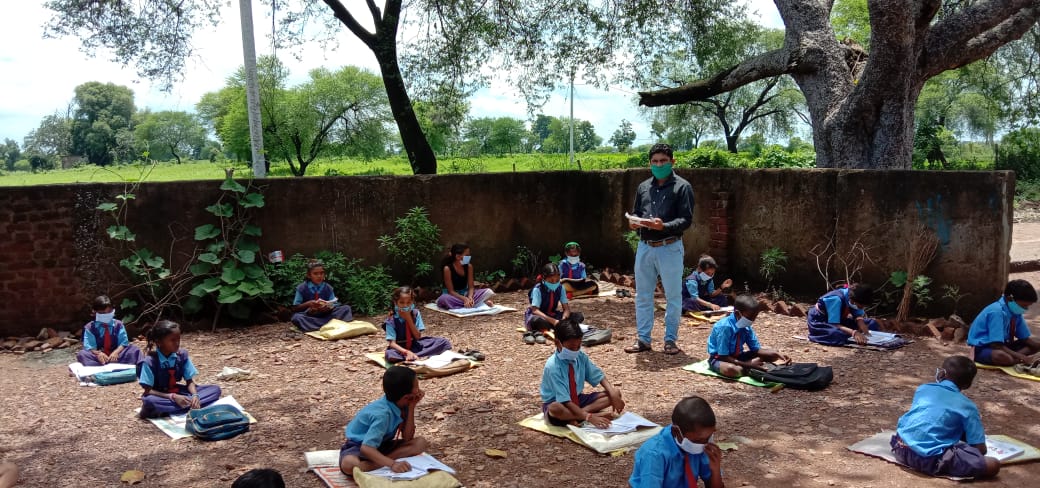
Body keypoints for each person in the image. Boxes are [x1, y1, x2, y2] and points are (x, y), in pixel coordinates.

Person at [625, 143, 694, 355]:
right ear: (650, 163)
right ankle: (643, 340)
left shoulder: (682, 187)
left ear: (673, 162)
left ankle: (670, 340)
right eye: (655, 161)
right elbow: (637, 212)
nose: (659, 164)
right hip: (645, 247)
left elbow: (686, 220)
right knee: (643, 296)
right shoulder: (643, 187)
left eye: (663, 161)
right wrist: (634, 223)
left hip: (669, 247)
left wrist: (663, 226)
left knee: (672, 296)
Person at [890, 355, 1000, 479]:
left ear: (941, 373)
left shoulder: (923, 389)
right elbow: (980, 449)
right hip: (929, 459)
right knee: (993, 464)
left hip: (900, 447)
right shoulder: (968, 406)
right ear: (967, 385)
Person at [339, 366, 429, 476]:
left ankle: (374, 464)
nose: (419, 390)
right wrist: (392, 464)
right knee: (348, 464)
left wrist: (411, 407)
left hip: (382, 445)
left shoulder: (403, 404)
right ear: (406, 396)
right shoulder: (383, 415)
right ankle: (378, 464)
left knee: (420, 442)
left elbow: (407, 437)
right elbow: (366, 448)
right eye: (417, 387)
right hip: (359, 447)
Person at [540, 318, 624, 428]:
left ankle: (576, 416)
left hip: (578, 399)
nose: (575, 350)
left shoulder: (580, 356)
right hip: (560, 403)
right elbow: (565, 401)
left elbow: (598, 375)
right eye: (571, 347)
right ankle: (584, 415)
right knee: (555, 408)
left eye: (578, 346)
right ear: (557, 343)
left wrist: (612, 393)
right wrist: (589, 417)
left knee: (615, 393)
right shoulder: (553, 366)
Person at [629, 395, 724, 488]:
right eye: (698, 440)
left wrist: (715, 470)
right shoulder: (654, 454)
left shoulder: (701, 445)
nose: (705, 444)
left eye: (708, 437)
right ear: (676, 432)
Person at [136, 320, 222, 418]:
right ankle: (185, 406)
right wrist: (172, 397)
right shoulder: (150, 361)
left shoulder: (182, 355)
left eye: (178, 339)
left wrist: (195, 396)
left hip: (178, 391)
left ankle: (181, 406)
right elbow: (148, 391)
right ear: (159, 342)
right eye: (172, 340)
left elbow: (189, 381)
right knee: (150, 401)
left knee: (215, 390)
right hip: (161, 395)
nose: (177, 343)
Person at [707, 294, 791, 378]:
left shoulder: (746, 326)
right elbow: (723, 356)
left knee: (772, 354)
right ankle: (749, 367)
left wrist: (777, 353)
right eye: (750, 317)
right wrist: (748, 364)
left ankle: (749, 366)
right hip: (720, 358)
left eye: (754, 317)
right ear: (737, 313)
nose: (752, 320)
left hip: (739, 357)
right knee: (732, 370)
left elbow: (756, 349)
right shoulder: (725, 327)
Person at [967, 279, 1040, 366]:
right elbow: (996, 345)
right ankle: (1016, 361)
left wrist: (1037, 346)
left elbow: (1025, 338)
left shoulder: (1015, 312)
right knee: (1001, 356)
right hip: (984, 348)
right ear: (1010, 298)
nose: (1026, 309)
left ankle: (1014, 360)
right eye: (1024, 306)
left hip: (1004, 345)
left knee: (1035, 343)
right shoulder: (996, 312)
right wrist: (1021, 357)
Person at [384, 286, 452, 363]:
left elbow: (417, 336)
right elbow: (392, 344)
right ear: (396, 303)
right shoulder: (391, 320)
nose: (405, 306)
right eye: (402, 303)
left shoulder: (415, 314)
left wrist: (409, 319)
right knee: (390, 354)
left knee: (444, 342)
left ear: (412, 302)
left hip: (415, 345)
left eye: (408, 302)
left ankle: (413, 356)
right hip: (400, 348)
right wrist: (406, 352)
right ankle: (411, 355)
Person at [524, 263, 585, 345]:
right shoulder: (537, 289)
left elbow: (566, 308)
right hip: (540, 316)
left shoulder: (560, 288)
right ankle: (540, 330)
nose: (554, 283)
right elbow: (535, 310)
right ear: (543, 278)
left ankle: (550, 328)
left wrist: (564, 319)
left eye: (557, 280)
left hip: (553, 315)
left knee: (578, 316)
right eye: (551, 280)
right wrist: (554, 322)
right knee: (538, 321)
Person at [75, 295, 143, 367]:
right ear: (95, 312)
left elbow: (123, 343)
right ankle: (102, 368)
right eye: (102, 313)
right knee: (82, 354)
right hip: (99, 358)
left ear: (113, 311)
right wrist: (99, 354)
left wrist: (115, 352)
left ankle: (139, 369)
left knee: (134, 350)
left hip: (117, 356)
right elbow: (90, 347)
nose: (106, 315)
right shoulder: (90, 327)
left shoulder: (118, 325)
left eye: (108, 312)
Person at [805, 283, 879, 346]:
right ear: (852, 301)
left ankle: (853, 336)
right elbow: (835, 324)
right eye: (860, 306)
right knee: (836, 335)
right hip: (822, 320)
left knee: (872, 324)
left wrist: (863, 326)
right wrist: (854, 332)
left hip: (840, 319)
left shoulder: (854, 298)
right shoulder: (835, 299)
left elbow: (858, 315)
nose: (861, 308)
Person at [290, 261, 353, 332]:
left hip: (326, 314)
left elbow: (334, 303)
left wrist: (328, 307)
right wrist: (308, 304)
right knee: (296, 317)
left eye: (321, 273)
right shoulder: (301, 288)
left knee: (346, 308)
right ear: (309, 275)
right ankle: (330, 325)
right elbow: (295, 308)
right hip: (310, 315)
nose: (319, 276)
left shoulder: (328, 287)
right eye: (315, 274)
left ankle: (314, 327)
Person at [436, 243, 495, 310]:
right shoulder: (447, 268)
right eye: (467, 255)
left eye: (469, 255)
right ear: (458, 257)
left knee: (488, 291)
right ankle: (477, 304)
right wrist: (464, 299)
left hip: (465, 293)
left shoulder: (469, 266)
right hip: (452, 295)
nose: (469, 257)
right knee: (444, 298)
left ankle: (469, 304)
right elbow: (451, 291)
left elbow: (471, 287)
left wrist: (470, 297)